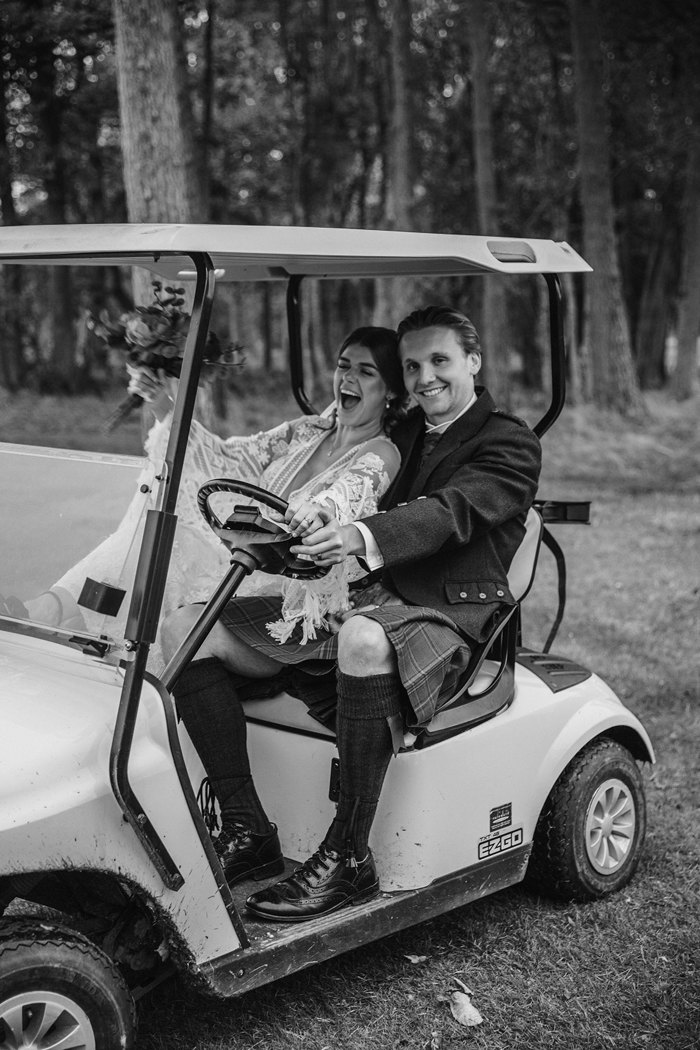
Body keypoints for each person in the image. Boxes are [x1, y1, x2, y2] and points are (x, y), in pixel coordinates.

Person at [162, 306, 542, 919]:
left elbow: (451, 511)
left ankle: (349, 858)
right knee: (189, 628)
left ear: (473, 361)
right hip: (366, 598)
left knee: (364, 638)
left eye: (439, 361)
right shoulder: (407, 431)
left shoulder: (509, 441)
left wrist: (358, 535)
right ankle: (247, 828)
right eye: (414, 365)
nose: (425, 378)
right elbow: (347, 471)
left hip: (448, 615)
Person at [7, 326, 404, 670]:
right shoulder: (306, 432)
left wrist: (318, 510)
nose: (347, 378)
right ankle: (57, 616)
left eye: (365, 372)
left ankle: (55, 614)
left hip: (286, 584)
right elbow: (226, 456)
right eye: (343, 365)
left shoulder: (382, 451)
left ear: (389, 390)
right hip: (245, 556)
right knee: (154, 529)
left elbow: (344, 497)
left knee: (167, 543)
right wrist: (166, 403)